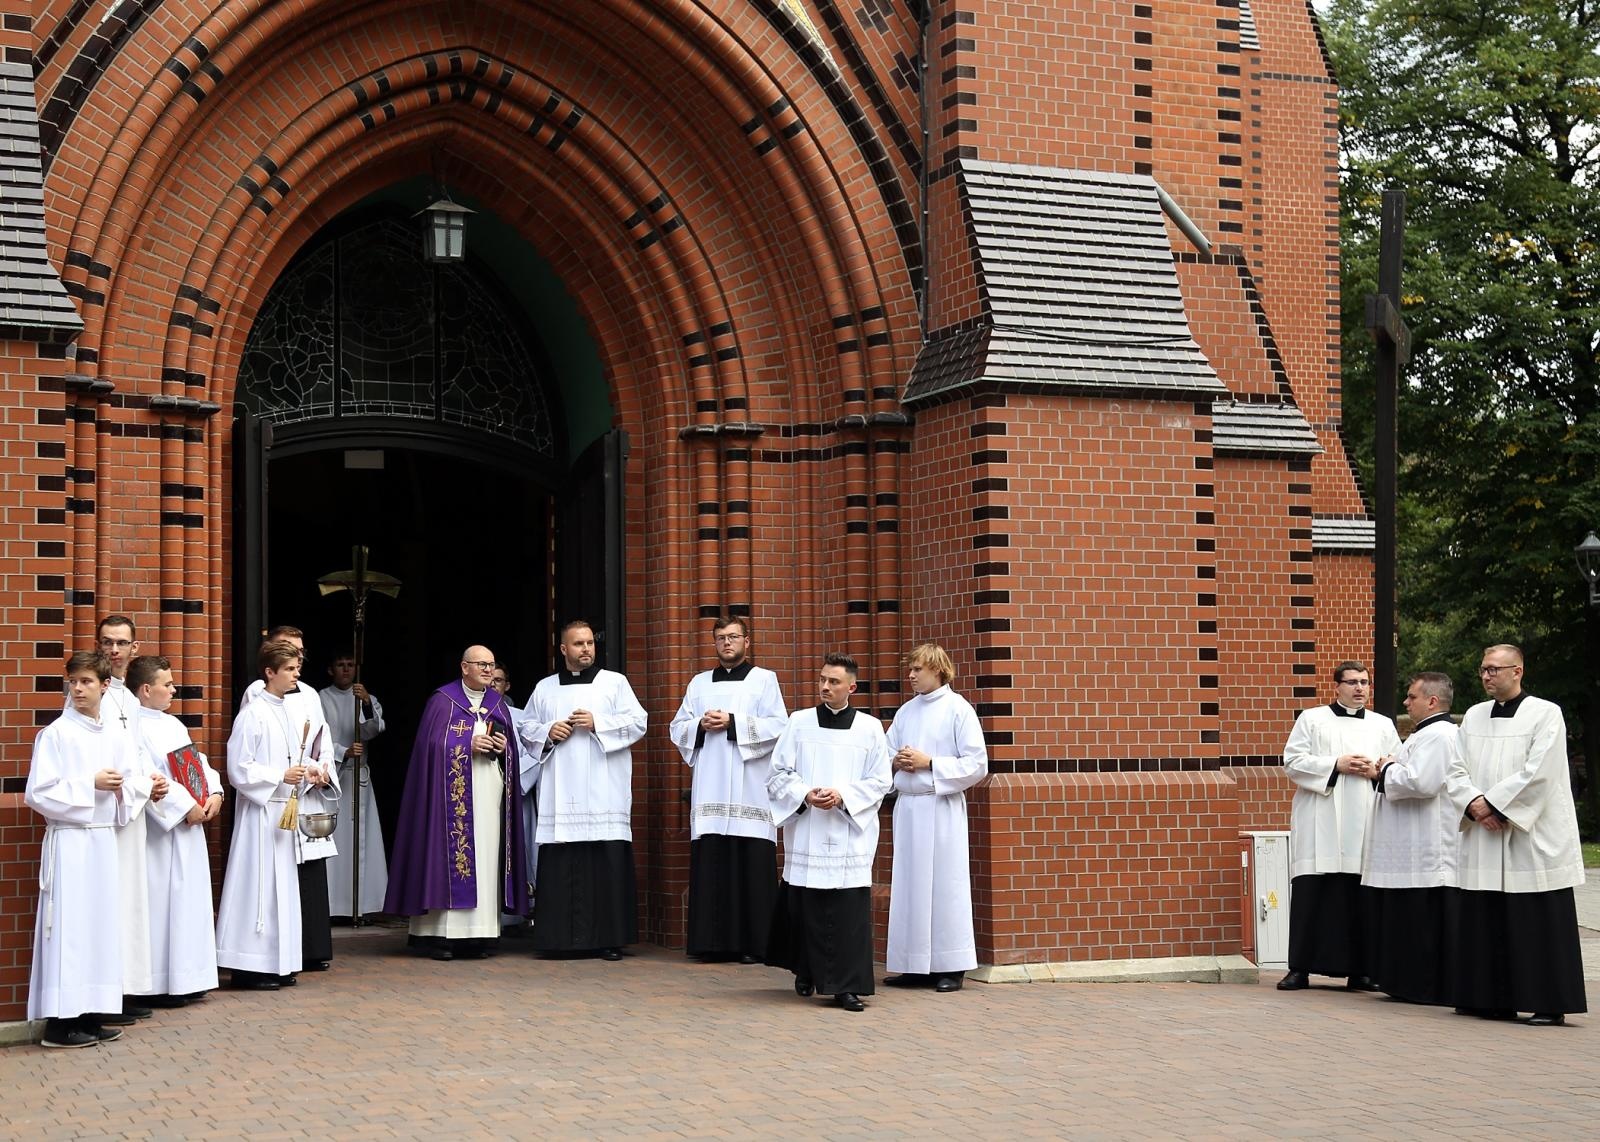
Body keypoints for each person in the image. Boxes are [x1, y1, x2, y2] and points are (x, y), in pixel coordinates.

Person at [1450, 644, 1587, 1025]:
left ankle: (1547, 1002)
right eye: (1483, 670)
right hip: (1484, 831)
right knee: (1486, 916)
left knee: (1535, 919)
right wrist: (1475, 803)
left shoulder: (1545, 714)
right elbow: (1455, 769)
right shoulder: (1474, 716)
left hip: (1530, 832)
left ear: (1518, 671)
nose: (1487, 676)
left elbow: (1540, 771)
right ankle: (1488, 998)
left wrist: (1494, 805)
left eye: (1495, 669)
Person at [766, 652, 892, 1013]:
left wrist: (844, 796)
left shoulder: (869, 728)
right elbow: (777, 773)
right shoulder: (799, 722)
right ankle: (806, 971)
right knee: (807, 907)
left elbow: (881, 780)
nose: (825, 686)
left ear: (851, 686)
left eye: (833, 681)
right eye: (822, 679)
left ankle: (846, 987)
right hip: (809, 827)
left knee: (848, 914)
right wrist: (805, 793)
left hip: (848, 833)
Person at [386, 646, 529, 960]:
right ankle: (441, 935)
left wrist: (502, 746)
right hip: (447, 799)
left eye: (491, 665)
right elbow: (430, 746)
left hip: (488, 792)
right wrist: (467, 743)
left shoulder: (498, 705)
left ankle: (480, 935)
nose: (488, 670)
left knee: (486, 857)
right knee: (448, 856)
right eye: (482, 664)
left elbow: (511, 753)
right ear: (464, 667)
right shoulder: (442, 701)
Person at [26, 652, 137, 1047]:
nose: (77, 688)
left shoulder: (113, 733)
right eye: (73, 681)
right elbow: (37, 792)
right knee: (70, 929)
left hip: (102, 839)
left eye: (86, 682)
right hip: (71, 840)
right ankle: (61, 1023)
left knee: (99, 928)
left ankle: (90, 1015)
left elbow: (132, 780)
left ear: (105, 685)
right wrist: (89, 782)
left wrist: (131, 787)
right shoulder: (56, 734)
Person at [519, 621, 648, 960]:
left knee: (604, 863)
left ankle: (608, 939)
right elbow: (526, 728)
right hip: (561, 794)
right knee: (563, 864)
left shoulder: (615, 683)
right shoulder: (545, 689)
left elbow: (638, 722)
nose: (586, 649)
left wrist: (598, 723)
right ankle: (558, 940)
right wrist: (549, 731)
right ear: (563, 649)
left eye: (590, 642)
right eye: (578, 644)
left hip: (604, 791)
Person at [669, 616, 788, 962]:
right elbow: (678, 727)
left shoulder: (765, 680)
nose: (727, 643)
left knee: (749, 862)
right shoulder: (699, 682)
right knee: (713, 860)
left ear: (747, 642)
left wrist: (734, 722)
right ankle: (711, 943)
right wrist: (700, 725)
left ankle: (754, 944)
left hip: (750, 787)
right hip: (711, 788)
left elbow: (780, 726)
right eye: (720, 637)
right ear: (714, 642)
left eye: (733, 637)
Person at [1277, 660, 1400, 992]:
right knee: (1314, 897)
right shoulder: (1312, 719)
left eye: (1365, 682)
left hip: (1364, 821)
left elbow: (1397, 764)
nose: (1360, 688)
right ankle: (1299, 969)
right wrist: (1336, 764)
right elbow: (1293, 762)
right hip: (1322, 820)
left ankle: (1360, 971)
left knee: (1361, 901)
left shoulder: (1383, 724)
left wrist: (1376, 770)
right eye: (1352, 682)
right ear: (1337, 686)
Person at [215, 641, 328, 989]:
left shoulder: (285, 710)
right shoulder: (253, 713)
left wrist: (309, 770)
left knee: (283, 888)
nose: (297, 675)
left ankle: (278, 961)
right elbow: (238, 768)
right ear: (269, 672)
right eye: (290, 669)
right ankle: (250, 965)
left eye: (297, 668)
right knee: (258, 886)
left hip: (283, 812)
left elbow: (294, 755)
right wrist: (279, 776)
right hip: (261, 813)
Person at [884, 643, 988, 992]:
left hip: (940, 807)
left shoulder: (959, 710)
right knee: (911, 886)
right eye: (910, 669)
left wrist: (931, 763)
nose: (911, 676)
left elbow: (977, 764)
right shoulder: (906, 713)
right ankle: (914, 964)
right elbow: (883, 756)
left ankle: (950, 965)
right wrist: (895, 763)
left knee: (945, 886)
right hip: (910, 808)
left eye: (918, 669)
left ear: (938, 670)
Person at [1359, 672, 1464, 1005]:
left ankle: (1428, 986)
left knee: (1426, 925)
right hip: (1412, 848)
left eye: (1411, 697)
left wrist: (1385, 768)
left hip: (1429, 849)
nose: (1405, 703)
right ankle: (1407, 983)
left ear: (1432, 701)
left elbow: (1423, 783)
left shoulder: (1441, 735)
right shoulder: (1426, 734)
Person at [239, 625, 337, 967]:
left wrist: (321, 770)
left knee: (305, 876)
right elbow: (252, 756)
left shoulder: (308, 694)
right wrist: (282, 775)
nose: (297, 665)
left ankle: (309, 949)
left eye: (299, 656)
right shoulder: (257, 699)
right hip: (274, 801)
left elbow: (320, 739)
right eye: (289, 655)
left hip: (303, 794)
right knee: (274, 882)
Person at [128, 655, 223, 1006]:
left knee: (188, 903)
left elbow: (196, 762)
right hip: (163, 833)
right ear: (145, 688)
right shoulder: (133, 728)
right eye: (167, 684)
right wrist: (186, 807)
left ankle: (188, 977)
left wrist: (214, 792)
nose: (173, 689)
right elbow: (151, 776)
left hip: (190, 826)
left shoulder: (172, 724)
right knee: (161, 905)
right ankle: (160, 983)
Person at [92, 615, 165, 1024]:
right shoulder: (93, 693)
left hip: (132, 809)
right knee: (112, 901)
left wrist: (151, 780)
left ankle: (129, 986)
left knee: (134, 901)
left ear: (134, 649)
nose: (114, 650)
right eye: (107, 642)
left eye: (121, 643)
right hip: (109, 812)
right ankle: (108, 992)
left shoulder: (130, 700)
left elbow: (136, 752)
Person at [320, 652, 388, 919]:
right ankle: (334, 906)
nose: (346, 669)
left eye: (350, 665)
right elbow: (317, 734)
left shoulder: (363, 696)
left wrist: (367, 703)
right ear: (330, 669)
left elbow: (374, 729)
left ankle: (363, 906)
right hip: (332, 775)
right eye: (340, 664)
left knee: (361, 840)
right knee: (334, 840)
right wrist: (341, 751)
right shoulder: (321, 698)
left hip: (359, 777)